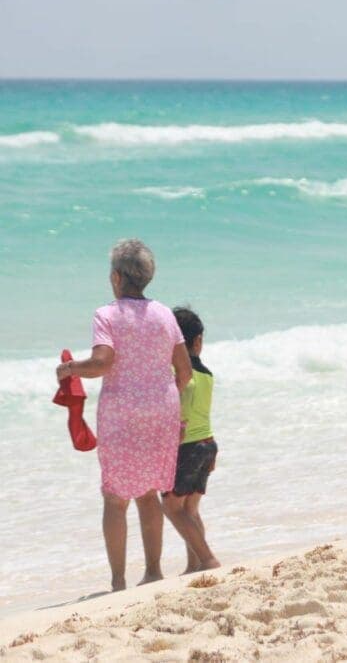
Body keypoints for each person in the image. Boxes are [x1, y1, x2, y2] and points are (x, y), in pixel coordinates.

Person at [55, 239, 192, 592]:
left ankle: (118, 582)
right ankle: (153, 572)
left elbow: (102, 362)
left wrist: (69, 369)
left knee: (116, 498)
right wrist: (164, 398)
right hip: (162, 410)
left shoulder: (107, 315)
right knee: (148, 493)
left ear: (116, 277)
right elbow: (185, 371)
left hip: (122, 415)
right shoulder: (164, 314)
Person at [160, 307, 220, 574]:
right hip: (207, 444)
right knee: (191, 509)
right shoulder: (207, 374)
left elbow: (178, 413)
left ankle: (207, 559)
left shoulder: (180, 376)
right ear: (197, 342)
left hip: (187, 447)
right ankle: (194, 565)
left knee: (172, 507)